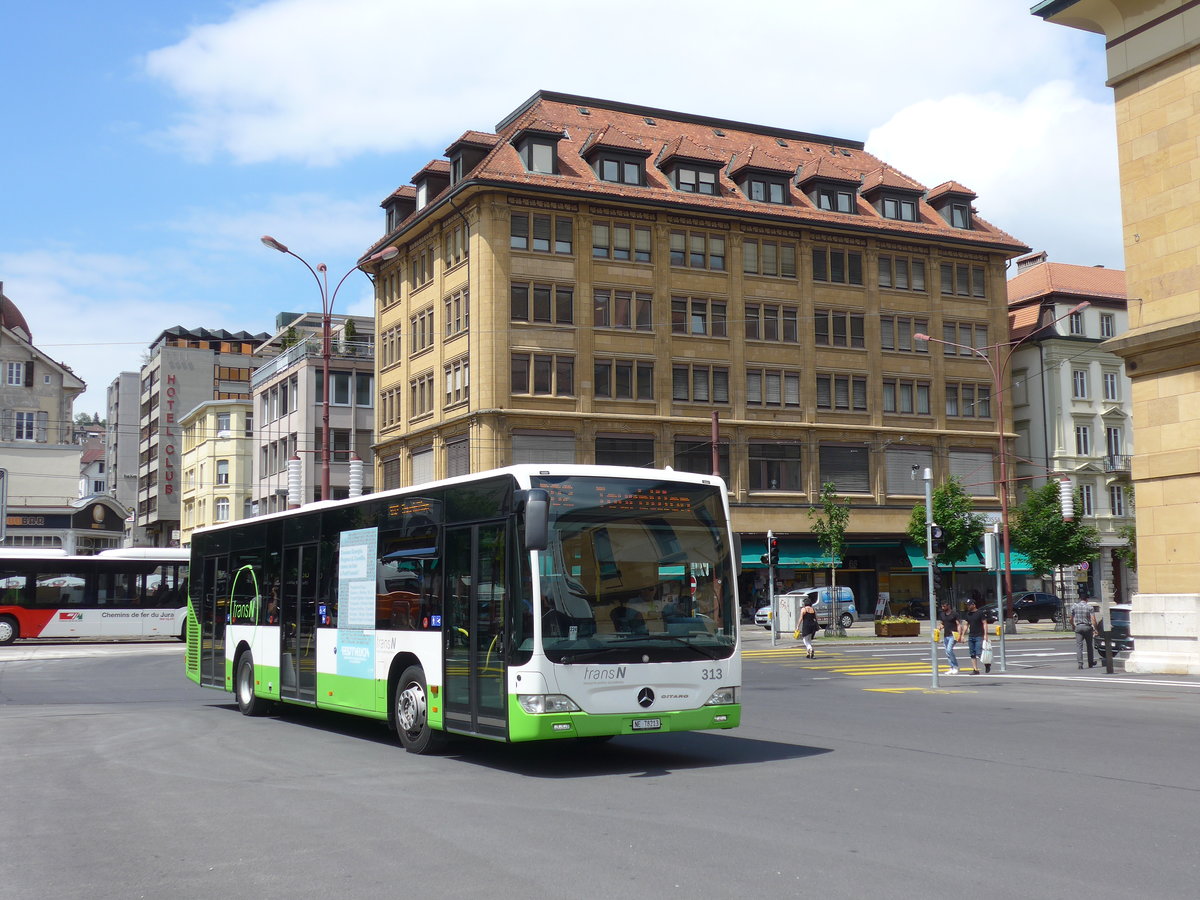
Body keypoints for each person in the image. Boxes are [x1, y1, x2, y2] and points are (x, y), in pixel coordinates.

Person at [961, 599, 991, 674]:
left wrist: (985, 634)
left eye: (969, 605)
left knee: (979, 652)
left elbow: (984, 623)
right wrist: (962, 635)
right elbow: (966, 624)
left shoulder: (980, 613)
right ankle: (975, 670)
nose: (967, 606)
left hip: (979, 635)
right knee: (972, 653)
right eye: (967, 605)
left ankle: (987, 664)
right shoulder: (968, 614)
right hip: (971, 635)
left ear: (973, 605)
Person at [1070, 595, 1098, 669]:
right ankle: (1090, 662)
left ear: (1080, 599)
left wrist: (1073, 625)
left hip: (1078, 627)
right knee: (1089, 645)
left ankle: (1080, 663)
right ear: (1087, 600)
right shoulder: (1090, 607)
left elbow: (1071, 618)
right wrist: (1095, 629)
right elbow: (1093, 620)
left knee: (1079, 646)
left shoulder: (1074, 607)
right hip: (1087, 627)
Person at [938, 602, 961, 675]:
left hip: (953, 634)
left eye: (944, 606)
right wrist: (940, 628)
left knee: (949, 650)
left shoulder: (954, 614)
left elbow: (958, 624)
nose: (943, 608)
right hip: (946, 635)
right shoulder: (942, 614)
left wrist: (960, 635)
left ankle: (955, 666)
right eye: (942, 606)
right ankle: (951, 667)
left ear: (948, 606)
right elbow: (942, 623)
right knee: (947, 652)